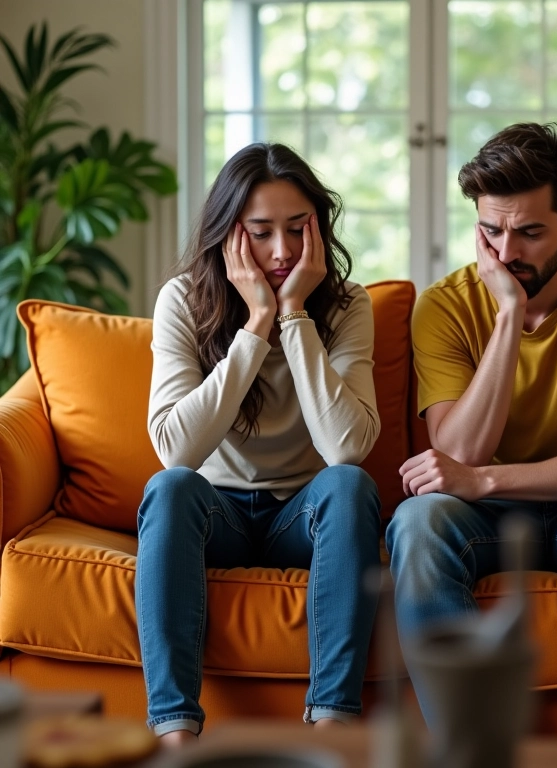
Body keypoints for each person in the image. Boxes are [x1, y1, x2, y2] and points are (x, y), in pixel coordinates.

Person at [386, 122, 557, 745]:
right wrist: (510, 314)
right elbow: (457, 451)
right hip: (482, 523)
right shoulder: (447, 305)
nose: (506, 250)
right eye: (490, 229)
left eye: (530, 231)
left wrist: (485, 478)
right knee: (417, 524)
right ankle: (471, 750)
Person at [135, 142, 382, 743]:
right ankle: (174, 737)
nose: (281, 251)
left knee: (349, 486)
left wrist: (294, 315)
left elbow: (347, 447)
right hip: (213, 515)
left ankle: (332, 731)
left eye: (298, 230)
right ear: (228, 235)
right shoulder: (184, 301)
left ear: (318, 230)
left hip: (301, 520)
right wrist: (255, 325)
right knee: (169, 489)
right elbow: (176, 450)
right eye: (261, 232)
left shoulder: (347, 305)